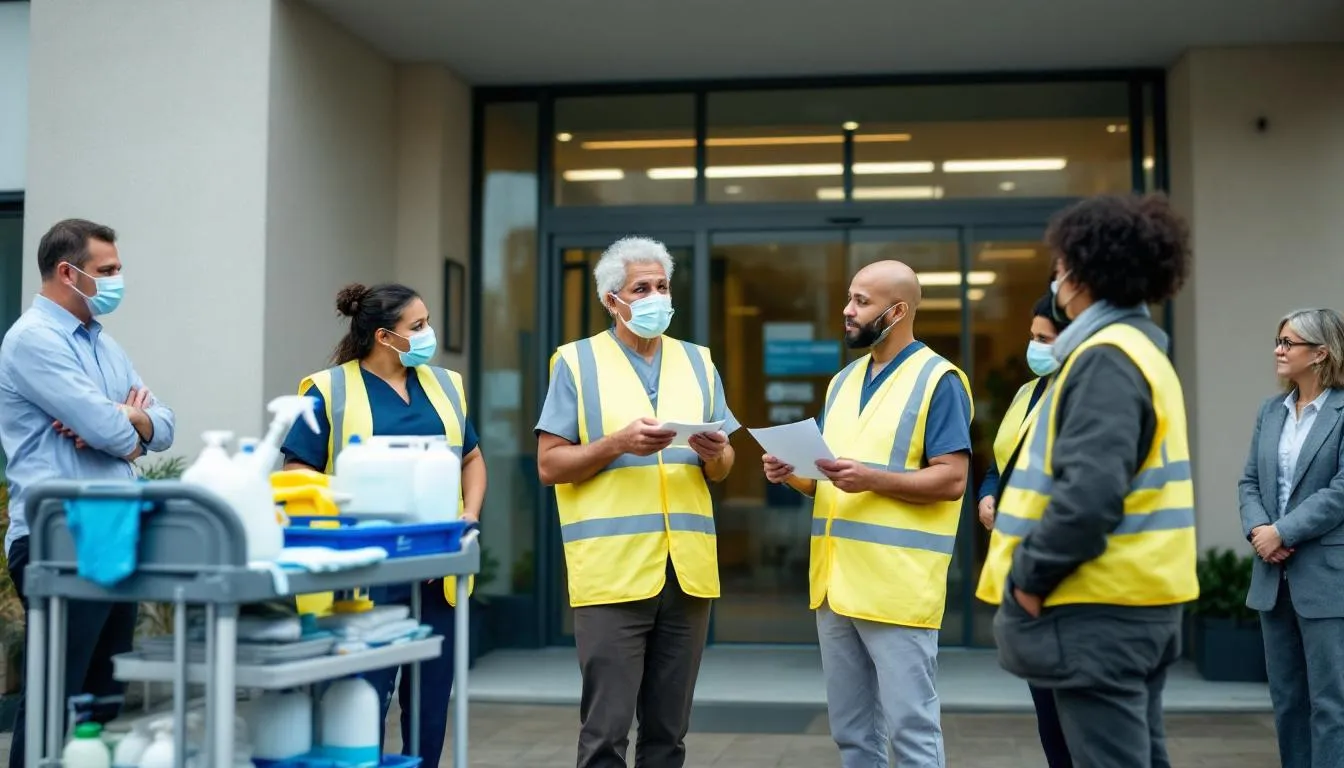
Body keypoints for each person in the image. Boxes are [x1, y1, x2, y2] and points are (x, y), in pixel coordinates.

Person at [975, 194, 1197, 768]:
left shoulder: (1104, 358)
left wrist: (1028, 578)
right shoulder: (1139, 351)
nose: (1057, 281)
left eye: (1061, 268)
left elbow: (1088, 496)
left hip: (1096, 610)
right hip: (1131, 601)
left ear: (1082, 274)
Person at [535, 236, 739, 768]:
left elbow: (723, 468)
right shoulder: (575, 363)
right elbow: (549, 465)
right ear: (612, 301)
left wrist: (715, 454)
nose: (656, 297)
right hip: (612, 572)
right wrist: (615, 444)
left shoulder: (699, 362)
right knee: (605, 735)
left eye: (662, 286)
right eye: (641, 288)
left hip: (687, 573)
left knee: (668, 737)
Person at [762, 260, 973, 768]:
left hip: (896, 589)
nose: (847, 311)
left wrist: (872, 478)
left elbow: (953, 479)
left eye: (861, 301)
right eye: (849, 298)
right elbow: (829, 483)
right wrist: (791, 472)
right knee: (853, 734)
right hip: (835, 586)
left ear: (897, 311)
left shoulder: (938, 380)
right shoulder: (843, 382)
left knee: (911, 733)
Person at [281, 282, 486, 765]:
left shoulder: (446, 386)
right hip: (364, 579)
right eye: (417, 327)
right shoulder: (329, 390)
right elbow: (297, 473)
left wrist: (468, 516)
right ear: (383, 336)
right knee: (360, 704)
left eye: (427, 322)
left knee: (430, 708)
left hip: (438, 574)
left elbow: (472, 458)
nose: (428, 334)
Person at [0, 219, 176, 768]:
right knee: (56, 696)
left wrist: (128, 418)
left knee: (100, 698)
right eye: (108, 271)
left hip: (115, 533)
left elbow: (165, 425)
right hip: (61, 539)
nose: (118, 280)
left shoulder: (103, 343)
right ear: (66, 272)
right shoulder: (33, 340)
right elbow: (111, 434)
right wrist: (127, 424)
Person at [1238, 308, 1344, 768]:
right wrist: (1261, 530)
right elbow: (1248, 483)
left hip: (1325, 578)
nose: (1278, 351)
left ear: (1320, 352)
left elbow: (1341, 491)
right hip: (1272, 575)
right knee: (1287, 701)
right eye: (1278, 341)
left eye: (1289, 343)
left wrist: (1283, 530)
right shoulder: (1270, 410)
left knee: (1331, 705)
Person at [975, 289, 1073, 768]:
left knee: (1074, 712)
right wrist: (988, 494)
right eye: (1031, 336)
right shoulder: (1026, 392)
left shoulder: (1081, 394)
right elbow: (1002, 460)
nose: (1033, 346)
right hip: (1022, 560)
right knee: (1047, 710)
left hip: (1058, 567)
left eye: (1043, 338)